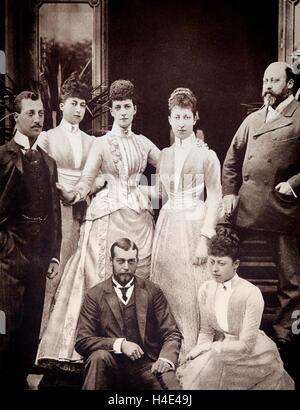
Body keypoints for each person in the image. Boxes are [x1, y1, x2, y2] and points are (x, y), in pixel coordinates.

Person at [36, 80, 160, 371]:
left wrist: (190, 145)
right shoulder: (102, 143)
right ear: (112, 111)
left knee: (139, 276)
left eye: (127, 107)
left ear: (134, 108)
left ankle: (136, 345)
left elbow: (169, 161)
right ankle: (96, 348)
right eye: (117, 107)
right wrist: (73, 194)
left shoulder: (143, 143)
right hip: (108, 215)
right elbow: (87, 179)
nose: (123, 113)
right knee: (99, 277)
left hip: (139, 215)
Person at [222, 61, 300, 351]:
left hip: (282, 208)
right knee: (230, 265)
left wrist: (293, 185)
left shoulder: (299, 115)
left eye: (274, 80)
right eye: (265, 80)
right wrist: (229, 193)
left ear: (289, 84)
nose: (267, 86)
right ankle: (232, 327)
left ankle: (286, 334)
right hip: (247, 208)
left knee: (290, 278)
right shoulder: (253, 120)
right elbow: (231, 160)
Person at [150, 87, 222, 360]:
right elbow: (158, 194)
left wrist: (205, 238)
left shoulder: (207, 155)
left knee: (193, 288)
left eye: (186, 117)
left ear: (195, 118)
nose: (181, 123)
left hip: (193, 225)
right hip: (168, 226)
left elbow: (214, 196)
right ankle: (170, 349)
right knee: (168, 287)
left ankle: (193, 350)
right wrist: (120, 188)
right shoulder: (165, 155)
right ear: (169, 119)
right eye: (176, 117)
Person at [180, 228, 295, 390]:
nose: (214, 269)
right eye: (211, 261)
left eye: (221, 263)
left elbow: (245, 346)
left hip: (253, 356)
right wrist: (200, 353)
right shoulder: (205, 289)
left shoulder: (251, 293)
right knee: (196, 377)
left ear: (236, 264)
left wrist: (210, 348)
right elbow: (206, 332)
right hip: (222, 350)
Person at [0, 91, 61, 389]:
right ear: (17, 118)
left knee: (30, 326)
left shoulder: (48, 162)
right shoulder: (2, 156)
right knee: (7, 326)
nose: (38, 119)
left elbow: (54, 213)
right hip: (9, 256)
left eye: (41, 113)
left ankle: (22, 381)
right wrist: (6, 249)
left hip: (39, 257)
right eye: (31, 113)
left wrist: (53, 255)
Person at [75, 238, 182, 390]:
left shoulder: (152, 291)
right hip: (109, 366)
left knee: (169, 382)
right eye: (120, 261)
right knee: (98, 358)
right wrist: (120, 344)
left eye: (131, 261)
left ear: (137, 261)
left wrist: (165, 359)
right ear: (111, 261)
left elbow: (171, 332)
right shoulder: (95, 294)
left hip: (146, 366)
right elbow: (83, 340)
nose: (126, 267)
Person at [37, 74, 96, 334]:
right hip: (55, 207)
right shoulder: (47, 137)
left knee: (79, 268)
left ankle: (71, 335)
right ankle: (44, 336)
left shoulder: (91, 141)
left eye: (82, 104)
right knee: (56, 265)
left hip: (83, 205)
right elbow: (37, 172)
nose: (78, 109)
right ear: (61, 106)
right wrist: (59, 191)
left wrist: (83, 192)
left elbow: (97, 175)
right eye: (73, 103)